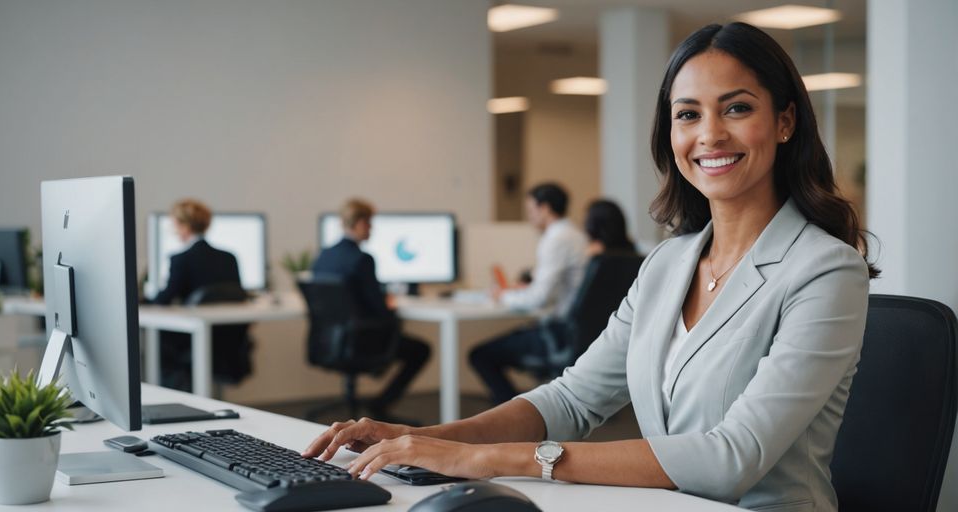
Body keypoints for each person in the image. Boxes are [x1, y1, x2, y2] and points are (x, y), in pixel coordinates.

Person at [302, 22, 877, 511]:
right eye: (687, 114)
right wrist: (421, 437)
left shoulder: (825, 271)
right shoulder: (668, 263)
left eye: (737, 108)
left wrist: (485, 459)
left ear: (784, 121)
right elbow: (572, 401)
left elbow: (731, 458)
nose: (709, 134)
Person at [311, 198, 431, 422]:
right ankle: (381, 404)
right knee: (421, 350)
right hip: (360, 342)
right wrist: (391, 308)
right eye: (369, 223)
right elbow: (379, 308)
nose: (371, 229)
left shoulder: (324, 255)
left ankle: (377, 401)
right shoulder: (362, 259)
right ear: (359, 223)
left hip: (328, 342)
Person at [468, 182, 588, 404]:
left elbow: (538, 299)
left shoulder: (555, 238)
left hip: (557, 334)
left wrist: (502, 296)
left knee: (480, 355)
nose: (530, 217)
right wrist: (523, 288)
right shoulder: (575, 234)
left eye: (531, 210)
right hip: (574, 330)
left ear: (545, 208)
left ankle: (514, 414)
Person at [152, 199, 245, 391]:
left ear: (184, 227)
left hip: (192, 338)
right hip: (226, 339)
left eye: (174, 225)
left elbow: (164, 299)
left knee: (157, 339)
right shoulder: (229, 258)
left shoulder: (181, 259)